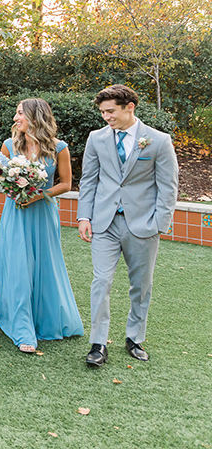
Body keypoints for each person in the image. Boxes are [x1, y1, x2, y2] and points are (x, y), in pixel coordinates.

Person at [78, 85, 178, 366]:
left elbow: (168, 186)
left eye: (110, 111)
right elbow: (89, 180)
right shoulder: (96, 139)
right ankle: (98, 343)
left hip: (143, 225)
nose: (105, 117)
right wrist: (84, 217)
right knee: (101, 281)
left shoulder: (158, 141)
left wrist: (160, 223)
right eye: (102, 112)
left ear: (129, 107)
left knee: (141, 285)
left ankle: (135, 338)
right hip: (104, 223)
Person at [0, 99, 84, 353]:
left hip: (43, 212)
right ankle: (21, 326)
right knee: (17, 263)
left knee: (44, 263)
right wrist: (14, 190)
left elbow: (66, 184)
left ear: (35, 116)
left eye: (19, 114)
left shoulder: (59, 148)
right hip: (16, 213)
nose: (15, 118)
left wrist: (38, 194)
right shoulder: (8, 146)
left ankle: (44, 319)